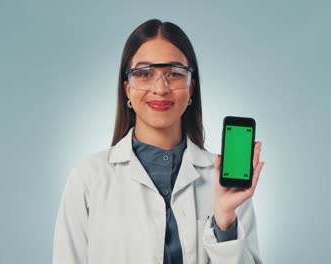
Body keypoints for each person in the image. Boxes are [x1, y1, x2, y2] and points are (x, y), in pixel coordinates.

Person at [52, 18, 265, 264]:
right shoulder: (88, 178)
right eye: (144, 74)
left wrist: (225, 220)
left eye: (174, 73)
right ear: (127, 88)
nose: (160, 88)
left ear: (191, 88)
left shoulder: (225, 183)